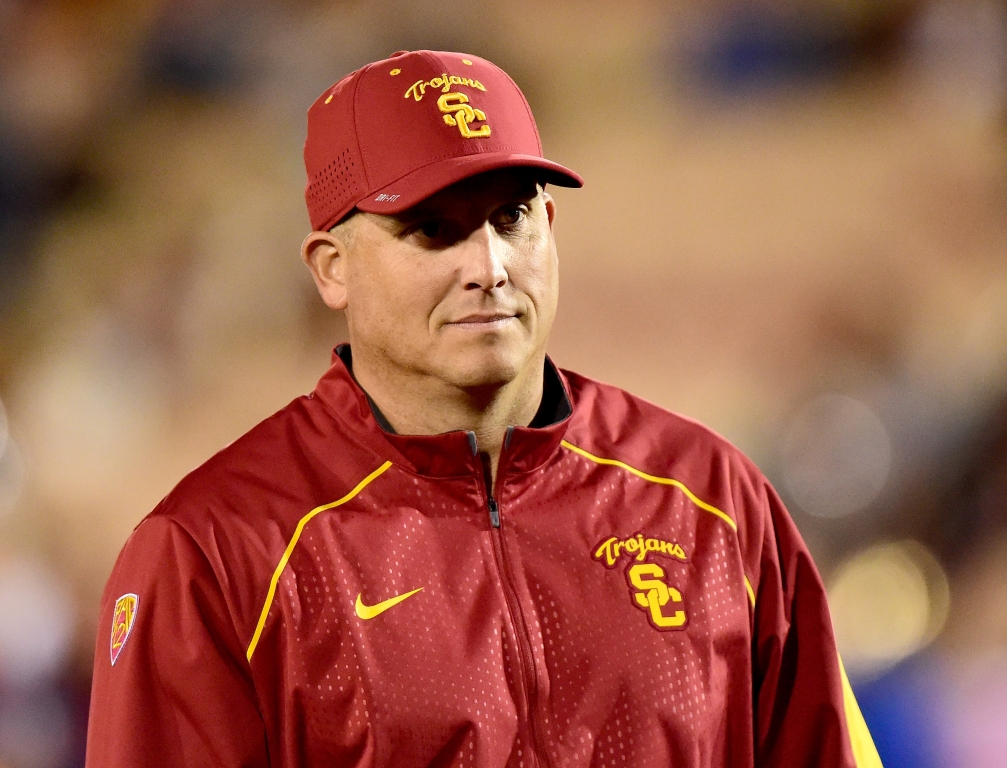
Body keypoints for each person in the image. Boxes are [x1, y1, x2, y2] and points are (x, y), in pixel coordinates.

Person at [85, 50, 882, 768]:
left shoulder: (712, 497)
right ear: (332, 270)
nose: (491, 268)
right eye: (433, 231)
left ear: (551, 227)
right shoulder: (215, 554)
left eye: (512, 218)